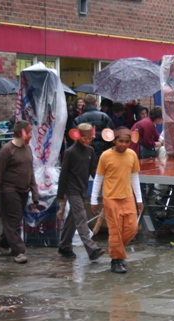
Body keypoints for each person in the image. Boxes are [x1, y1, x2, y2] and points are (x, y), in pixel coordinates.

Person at [90, 127, 143, 274]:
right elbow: (98, 178)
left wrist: (139, 198)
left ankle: (117, 252)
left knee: (132, 229)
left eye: (127, 142)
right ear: (114, 141)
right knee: (115, 231)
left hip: (128, 197)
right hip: (110, 198)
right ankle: (116, 260)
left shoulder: (132, 155)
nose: (124, 144)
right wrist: (94, 199)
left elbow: (134, 177)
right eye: (121, 141)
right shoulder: (105, 156)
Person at [0, 120, 39, 264]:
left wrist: (34, 192)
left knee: (12, 221)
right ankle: (19, 251)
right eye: (29, 133)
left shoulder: (28, 149)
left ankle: (4, 242)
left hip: (23, 189)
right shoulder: (7, 150)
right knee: (15, 219)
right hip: (9, 190)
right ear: (21, 133)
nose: (31, 135)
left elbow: (31, 172)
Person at [56, 123, 105, 262]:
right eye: (84, 137)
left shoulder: (90, 151)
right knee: (81, 216)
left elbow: (93, 171)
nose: (87, 141)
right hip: (72, 190)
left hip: (82, 189)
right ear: (78, 136)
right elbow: (63, 174)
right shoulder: (70, 152)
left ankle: (64, 246)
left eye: (90, 138)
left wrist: (103, 184)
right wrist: (61, 197)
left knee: (73, 218)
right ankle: (91, 248)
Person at [73, 94, 114, 158]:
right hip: (103, 150)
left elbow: (75, 137)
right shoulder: (105, 116)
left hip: (85, 150)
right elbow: (111, 134)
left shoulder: (78, 119)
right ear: (96, 103)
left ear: (84, 104)